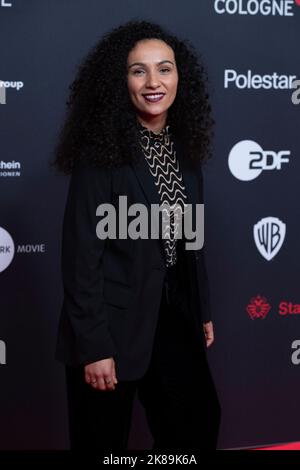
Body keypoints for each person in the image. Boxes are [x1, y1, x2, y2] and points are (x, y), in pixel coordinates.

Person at [53, 20, 221, 451]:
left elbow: (190, 237)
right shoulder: (101, 152)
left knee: (198, 424)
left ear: (180, 77)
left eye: (164, 69)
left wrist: (199, 308)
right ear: (120, 80)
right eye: (138, 71)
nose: (153, 82)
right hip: (110, 323)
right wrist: (93, 346)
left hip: (172, 316)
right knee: (102, 442)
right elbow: (80, 255)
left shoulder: (184, 148)